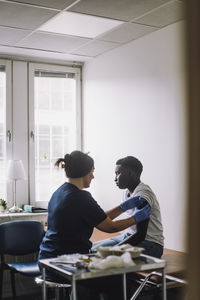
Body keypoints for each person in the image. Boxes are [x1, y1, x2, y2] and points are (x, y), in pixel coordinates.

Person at [38, 150, 150, 300]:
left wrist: (123, 207)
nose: (93, 176)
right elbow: (111, 227)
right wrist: (137, 218)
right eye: (92, 171)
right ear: (85, 172)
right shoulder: (80, 196)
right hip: (65, 263)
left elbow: (98, 217)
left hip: (48, 259)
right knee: (117, 280)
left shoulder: (60, 191)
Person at [92, 156, 164, 259]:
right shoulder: (126, 192)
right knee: (92, 250)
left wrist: (113, 251)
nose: (115, 178)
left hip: (150, 243)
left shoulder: (143, 195)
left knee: (101, 257)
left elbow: (140, 235)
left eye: (118, 173)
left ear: (130, 173)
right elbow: (104, 219)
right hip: (129, 235)